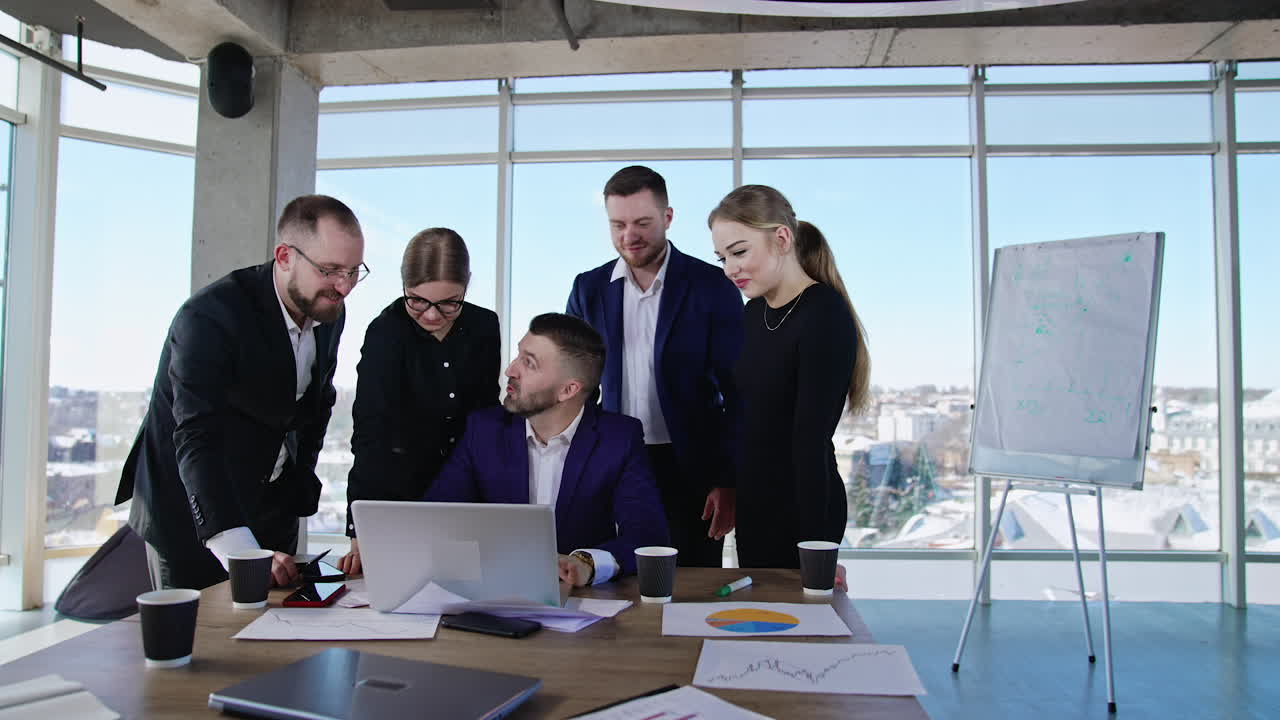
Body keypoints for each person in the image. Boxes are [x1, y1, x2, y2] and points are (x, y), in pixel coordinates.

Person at [115, 195, 367, 591]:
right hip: (192, 510)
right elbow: (198, 435)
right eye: (330, 270)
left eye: (354, 271)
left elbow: (316, 404)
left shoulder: (328, 309)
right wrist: (237, 547)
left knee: (272, 635)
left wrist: (295, 489)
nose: (344, 286)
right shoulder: (210, 317)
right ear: (285, 256)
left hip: (270, 505)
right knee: (200, 643)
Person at [566, 166, 743, 569]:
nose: (629, 235)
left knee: (690, 586)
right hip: (612, 461)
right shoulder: (587, 289)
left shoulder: (712, 286)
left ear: (667, 218)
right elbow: (573, 387)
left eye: (642, 222)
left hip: (691, 469)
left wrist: (728, 480)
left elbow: (738, 393)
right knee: (612, 581)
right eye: (618, 224)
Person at [427, 313, 670, 586]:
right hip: (491, 590)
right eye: (518, 355)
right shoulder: (484, 429)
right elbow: (437, 517)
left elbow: (648, 536)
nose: (510, 370)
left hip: (581, 604)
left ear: (568, 390)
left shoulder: (619, 438)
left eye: (529, 364)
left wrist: (586, 563)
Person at [708, 184, 870, 575]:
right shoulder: (751, 315)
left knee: (802, 631)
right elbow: (741, 416)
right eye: (722, 257)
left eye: (740, 252)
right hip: (755, 504)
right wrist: (728, 484)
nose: (730, 269)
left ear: (781, 239)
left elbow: (810, 442)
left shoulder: (824, 316)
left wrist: (816, 548)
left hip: (804, 508)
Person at [338, 228, 501, 575]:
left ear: (467, 284)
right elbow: (371, 432)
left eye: (449, 303)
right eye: (418, 301)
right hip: (402, 490)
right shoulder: (386, 332)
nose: (431, 315)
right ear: (403, 286)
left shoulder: (485, 325)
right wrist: (361, 530)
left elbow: (487, 417)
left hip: (468, 490)